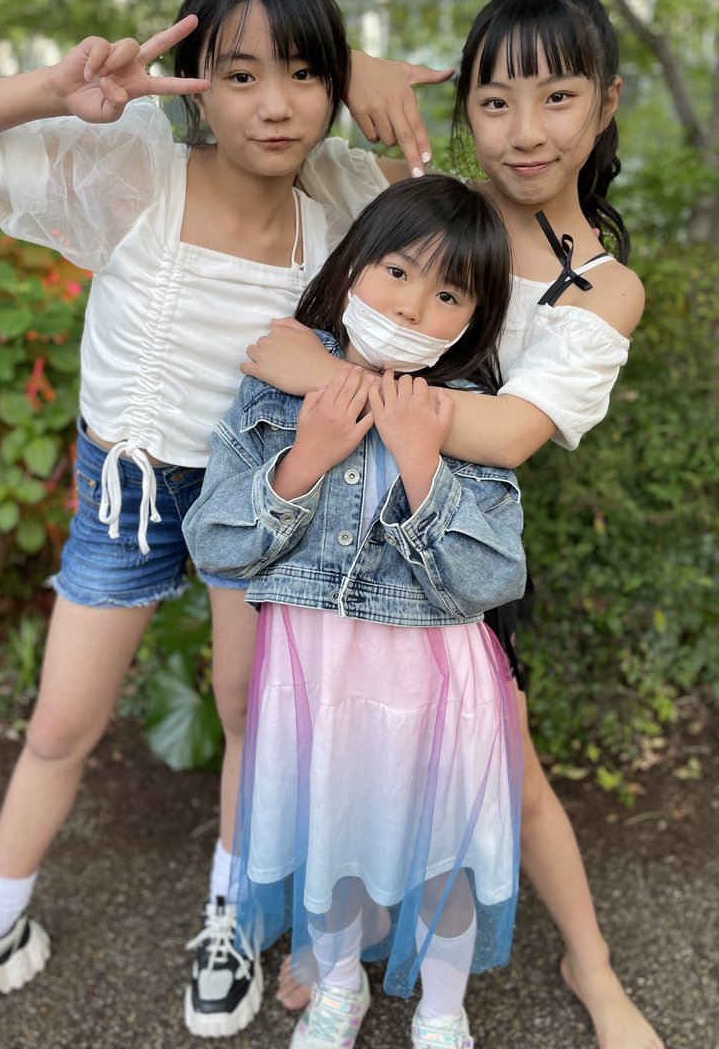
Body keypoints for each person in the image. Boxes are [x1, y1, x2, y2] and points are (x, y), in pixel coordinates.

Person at [0, 0, 358, 1049]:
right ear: (196, 85)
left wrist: (364, 70)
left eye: (304, 74)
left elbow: (468, 244)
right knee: (61, 723)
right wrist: (54, 89)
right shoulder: (137, 173)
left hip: (263, 497)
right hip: (129, 490)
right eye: (240, 74)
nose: (275, 105)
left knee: (248, 714)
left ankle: (233, 917)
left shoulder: (342, 209)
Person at [242, 0, 664, 1049]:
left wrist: (321, 376)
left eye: (558, 96)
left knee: (504, 777)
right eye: (493, 99)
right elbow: (290, 114)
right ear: (466, 107)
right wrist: (354, 65)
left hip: (459, 556)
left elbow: (508, 431)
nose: (525, 130)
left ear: (607, 103)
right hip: (331, 547)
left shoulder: (601, 286)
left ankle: (592, 969)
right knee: (334, 751)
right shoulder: (428, 207)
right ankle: (337, 942)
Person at [184, 174, 527, 1049]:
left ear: (475, 320)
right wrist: (305, 459)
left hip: (435, 682)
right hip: (318, 672)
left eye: (448, 294)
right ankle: (339, 986)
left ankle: (442, 1008)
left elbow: (495, 577)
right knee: (330, 838)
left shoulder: (467, 419)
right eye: (398, 272)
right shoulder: (279, 390)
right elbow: (215, 542)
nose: (412, 306)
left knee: (444, 854)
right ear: (352, 264)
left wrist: (423, 464)